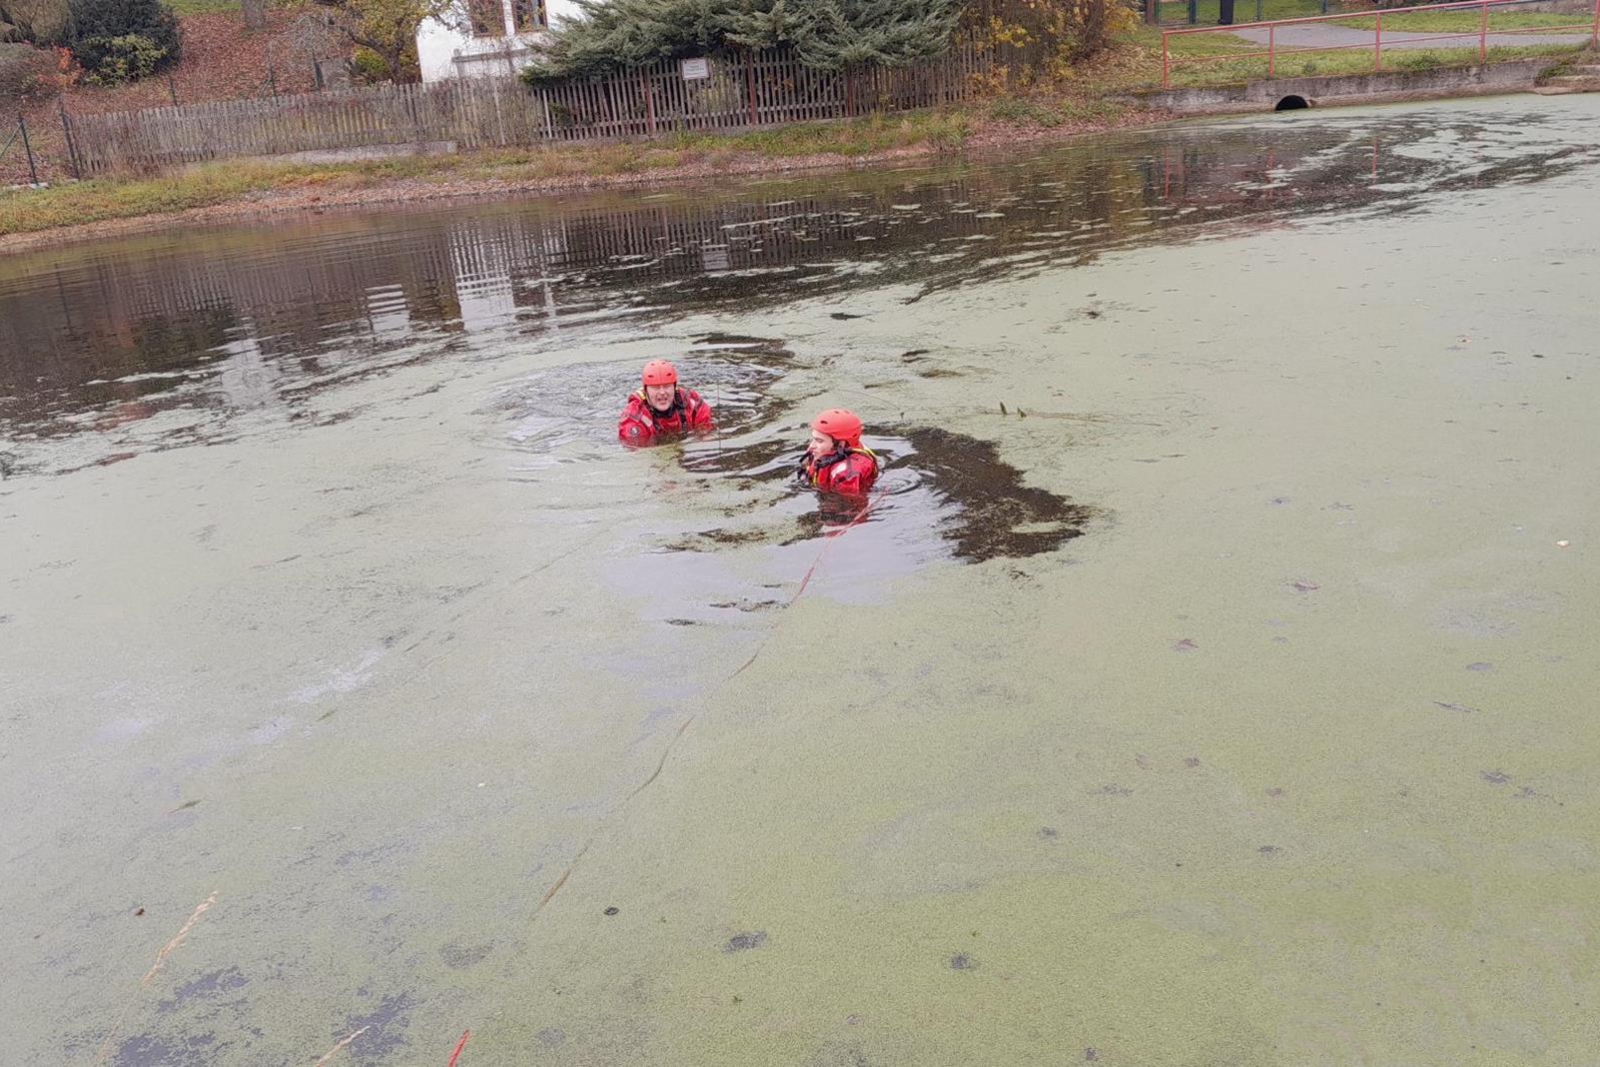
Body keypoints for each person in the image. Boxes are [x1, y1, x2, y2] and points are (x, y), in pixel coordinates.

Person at [618, 360, 714, 444]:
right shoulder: (633, 416)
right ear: (646, 390)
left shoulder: (691, 402)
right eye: (655, 387)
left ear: (675, 387)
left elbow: (707, 433)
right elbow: (636, 450)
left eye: (667, 386)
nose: (662, 392)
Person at [798, 408, 879, 495]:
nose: (811, 447)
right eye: (813, 439)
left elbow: (848, 506)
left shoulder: (848, 474)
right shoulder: (820, 452)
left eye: (819, 441)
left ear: (841, 444)